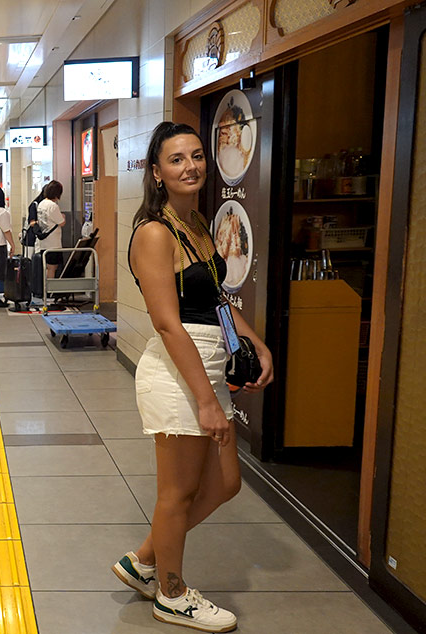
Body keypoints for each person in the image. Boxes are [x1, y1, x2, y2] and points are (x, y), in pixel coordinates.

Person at [111, 121, 273, 633]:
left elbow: (216, 299)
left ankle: (143, 561)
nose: (191, 167)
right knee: (177, 494)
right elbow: (166, 320)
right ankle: (172, 593)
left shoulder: (198, 224)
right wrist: (205, 400)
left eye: (197, 156)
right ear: (156, 172)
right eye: (177, 159)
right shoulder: (153, 233)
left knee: (226, 483)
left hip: (207, 361)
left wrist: (253, 341)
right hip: (177, 371)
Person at [36, 180, 66, 279]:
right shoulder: (53, 206)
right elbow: (61, 222)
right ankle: (49, 292)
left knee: (47, 268)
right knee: (52, 268)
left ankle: (46, 291)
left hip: (43, 242)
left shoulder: (41, 204)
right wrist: (63, 216)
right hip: (53, 243)